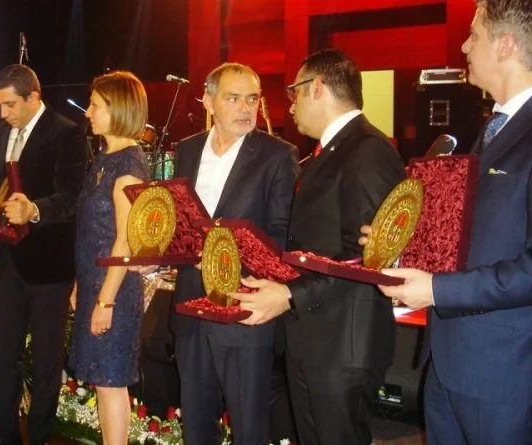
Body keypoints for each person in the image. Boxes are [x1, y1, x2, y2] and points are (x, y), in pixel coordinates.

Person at [377, 1, 532, 442]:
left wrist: (436, 290)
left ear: (504, 46)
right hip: (449, 361)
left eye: (474, 36)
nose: (464, 47)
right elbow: (474, 234)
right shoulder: (494, 126)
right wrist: (401, 241)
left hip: (504, 373)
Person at [231, 49, 404, 445]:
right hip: (316, 338)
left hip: (344, 344)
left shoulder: (367, 151)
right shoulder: (330, 151)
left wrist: (289, 294)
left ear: (317, 87)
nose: (290, 105)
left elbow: (365, 259)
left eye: (294, 92)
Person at [170, 62, 297, 444]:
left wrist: (226, 255)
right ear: (208, 101)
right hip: (190, 306)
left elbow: (281, 234)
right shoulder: (188, 149)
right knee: (196, 426)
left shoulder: (277, 155)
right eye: (233, 98)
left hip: (244, 307)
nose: (246, 108)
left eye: (252, 99)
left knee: (248, 428)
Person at [0, 64, 89, 445]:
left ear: (34, 97)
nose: (3, 114)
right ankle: (3, 433)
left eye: (10, 105)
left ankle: (39, 436)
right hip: (6, 258)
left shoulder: (67, 133)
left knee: (45, 359)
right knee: (3, 352)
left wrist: (34, 210)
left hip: (48, 264)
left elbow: (72, 197)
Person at [68, 71, 150, 444]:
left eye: (95, 105)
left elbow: (126, 242)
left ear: (118, 109)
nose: (88, 112)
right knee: (102, 381)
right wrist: (80, 282)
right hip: (96, 281)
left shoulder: (128, 166)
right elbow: (91, 232)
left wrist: (105, 300)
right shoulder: (106, 157)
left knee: (111, 381)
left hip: (114, 288)